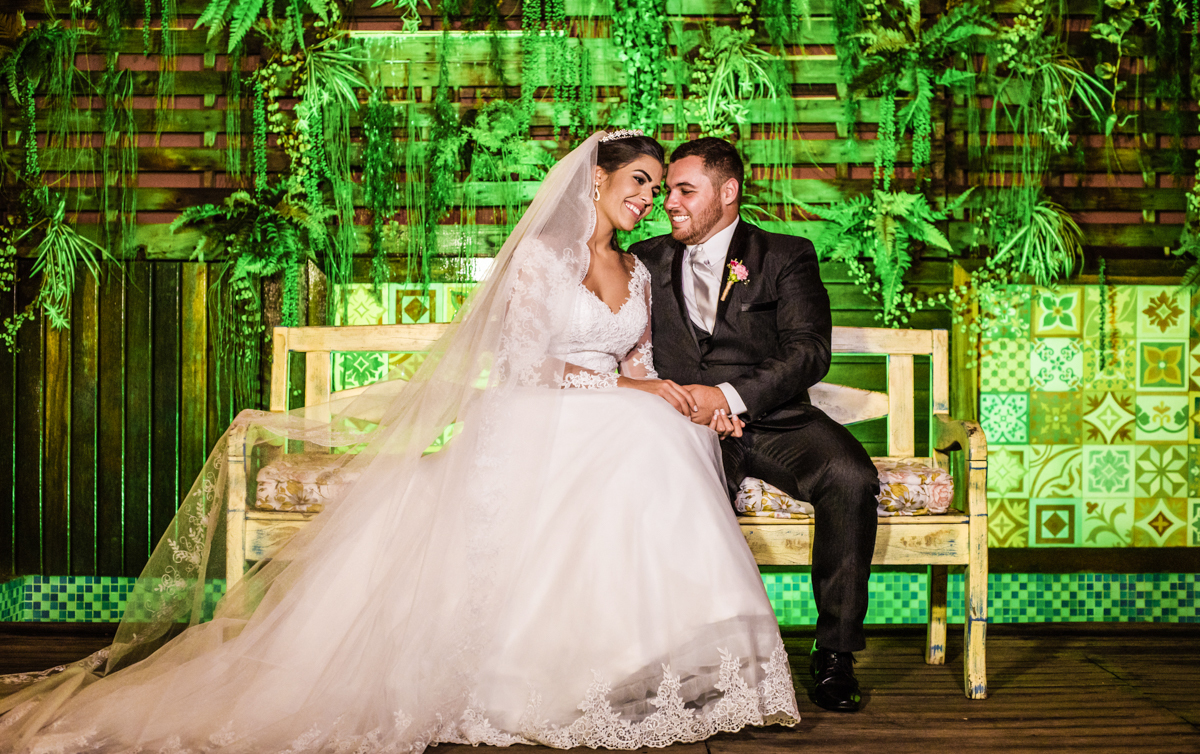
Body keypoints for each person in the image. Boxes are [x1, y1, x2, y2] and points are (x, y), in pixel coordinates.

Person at [0, 131, 799, 753]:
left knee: (662, 432)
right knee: (643, 431)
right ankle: (542, 674)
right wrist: (641, 393)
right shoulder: (539, 262)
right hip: (537, 411)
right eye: (639, 184)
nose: (649, 200)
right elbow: (531, 363)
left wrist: (686, 399)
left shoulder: (640, 270)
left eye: (659, 190)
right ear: (597, 178)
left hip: (613, 409)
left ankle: (654, 661)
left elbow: (639, 358)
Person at [629, 137, 880, 713]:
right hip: (682, 426)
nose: (669, 201)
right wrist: (686, 406)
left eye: (683, 190)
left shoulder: (786, 256)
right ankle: (690, 662)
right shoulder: (643, 260)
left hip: (774, 419)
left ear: (728, 192)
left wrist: (729, 396)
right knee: (681, 495)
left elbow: (808, 352)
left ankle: (835, 653)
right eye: (667, 189)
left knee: (850, 478)